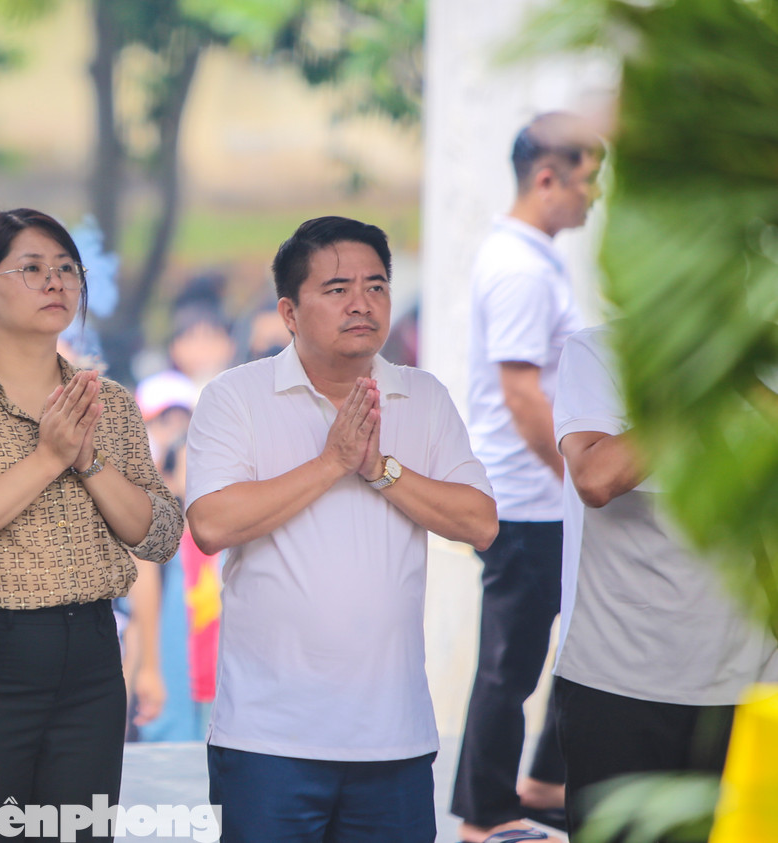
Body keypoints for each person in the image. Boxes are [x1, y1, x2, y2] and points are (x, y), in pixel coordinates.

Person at [185, 216, 497, 843]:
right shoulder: (236, 397)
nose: (362, 303)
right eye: (336, 289)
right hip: (268, 739)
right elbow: (211, 523)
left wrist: (380, 469)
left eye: (376, 286)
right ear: (289, 312)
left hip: (394, 738)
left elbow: (481, 522)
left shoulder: (422, 396)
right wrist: (331, 462)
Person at [0, 208, 183, 842]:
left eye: (66, 269)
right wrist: (49, 457)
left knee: (80, 833)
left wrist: (88, 461)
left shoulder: (107, 403)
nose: (55, 282)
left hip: (91, 658)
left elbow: (161, 533)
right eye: (31, 269)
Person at [552, 325, 778, 833]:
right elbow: (596, 478)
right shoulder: (600, 351)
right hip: (619, 682)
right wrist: (702, 382)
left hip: (750, 686)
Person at [453, 111, 603, 843]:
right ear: (548, 178)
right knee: (509, 662)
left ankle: (542, 780)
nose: (593, 195)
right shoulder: (518, 267)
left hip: (541, 496)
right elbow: (521, 394)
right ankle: (484, 813)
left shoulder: (532, 258)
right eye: (588, 179)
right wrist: (578, 478)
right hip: (524, 499)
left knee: (571, 643)